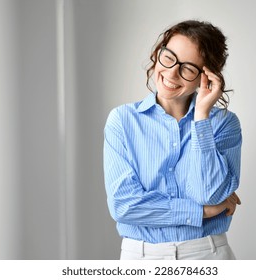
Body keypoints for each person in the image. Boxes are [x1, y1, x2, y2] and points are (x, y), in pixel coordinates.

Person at [103, 20, 242, 260]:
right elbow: (124, 206)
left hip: (207, 255)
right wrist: (204, 212)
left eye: (188, 68)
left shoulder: (223, 124)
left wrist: (201, 119)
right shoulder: (122, 121)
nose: (171, 72)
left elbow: (209, 193)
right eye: (168, 57)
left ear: (206, 76)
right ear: (159, 53)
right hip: (141, 257)